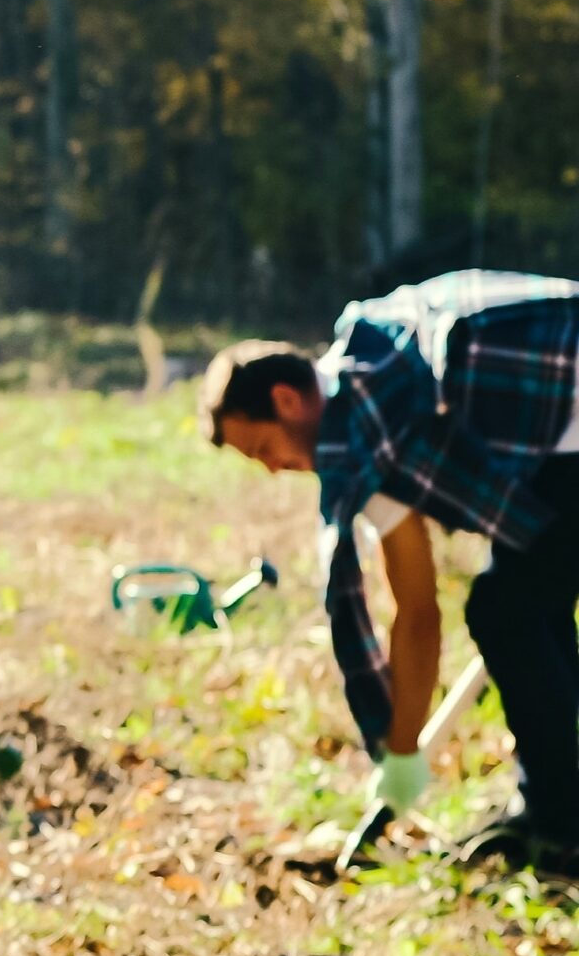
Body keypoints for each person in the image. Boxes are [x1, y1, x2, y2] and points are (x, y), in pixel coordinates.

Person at [201, 271, 579, 871]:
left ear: (286, 400)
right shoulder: (374, 380)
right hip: (553, 432)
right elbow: (416, 605)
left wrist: (402, 749)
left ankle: (560, 825)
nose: (273, 469)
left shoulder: (364, 434)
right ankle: (556, 805)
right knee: (528, 594)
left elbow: (417, 618)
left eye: (263, 449)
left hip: (564, 401)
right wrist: (401, 748)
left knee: (507, 607)